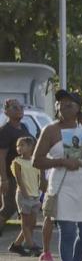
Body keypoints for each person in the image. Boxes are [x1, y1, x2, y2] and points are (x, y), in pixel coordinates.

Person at [32, 90, 82, 261]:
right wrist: (60, 162)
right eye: (60, 104)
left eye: (69, 104)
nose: (63, 107)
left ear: (78, 108)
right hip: (62, 187)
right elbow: (37, 160)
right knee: (68, 233)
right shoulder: (50, 130)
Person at [0, 99, 31, 240]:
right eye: (15, 107)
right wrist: (4, 179)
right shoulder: (5, 131)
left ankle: (23, 242)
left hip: (25, 174)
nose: (19, 109)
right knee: (9, 207)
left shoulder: (24, 127)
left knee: (27, 207)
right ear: (6, 111)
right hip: (11, 175)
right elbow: (2, 156)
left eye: (21, 107)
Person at [9, 136, 45, 256]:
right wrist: (25, 194)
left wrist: (39, 193)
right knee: (25, 223)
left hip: (35, 195)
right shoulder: (17, 162)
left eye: (22, 145)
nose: (19, 148)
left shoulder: (35, 162)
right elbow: (19, 180)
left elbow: (39, 178)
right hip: (24, 195)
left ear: (31, 147)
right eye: (18, 146)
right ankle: (31, 245)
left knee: (32, 223)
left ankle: (17, 245)